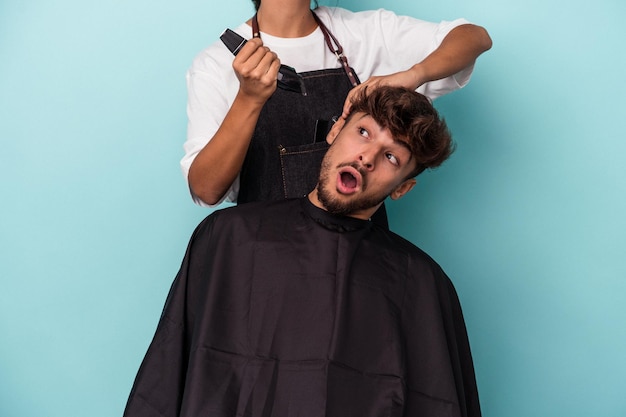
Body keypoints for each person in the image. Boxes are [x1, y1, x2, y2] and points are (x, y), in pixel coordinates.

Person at [125, 86, 481, 417]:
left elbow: (439, 403)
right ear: (336, 132)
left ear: (403, 188)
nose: (367, 157)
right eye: (363, 132)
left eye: (391, 156)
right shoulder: (229, 237)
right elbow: (166, 373)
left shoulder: (421, 283)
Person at [182, 0, 492, 210]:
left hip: (358, 262)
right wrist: (248, 99)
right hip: (263, 262)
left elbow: (474, 37)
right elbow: (206, 190)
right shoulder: (215, 63)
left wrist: (412, 75)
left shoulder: (364, 33)